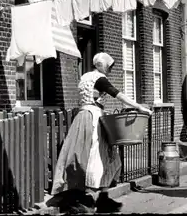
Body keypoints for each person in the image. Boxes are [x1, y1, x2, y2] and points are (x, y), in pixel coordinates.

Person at [51, 52, 152, 214]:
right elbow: (117, 94)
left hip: (84, 116)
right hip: (93, 119)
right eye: (109, 66)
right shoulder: (98, 78)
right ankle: (88, 200)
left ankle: (101, 198)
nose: (110, 70)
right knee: (96, 156)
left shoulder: (86, 77)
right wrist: (138, 106)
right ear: (101, 65)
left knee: (91, 156)